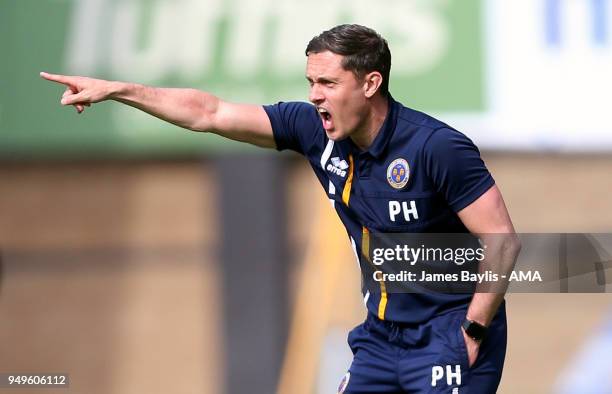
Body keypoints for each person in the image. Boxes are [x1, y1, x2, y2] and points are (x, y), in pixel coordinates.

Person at [41, 24, 520, 394]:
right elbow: (210, 113)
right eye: (311, 82)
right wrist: (118, 90)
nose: (315, 95)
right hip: (381, 336)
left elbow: (502, 239)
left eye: (328, 83)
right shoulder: (312, 129)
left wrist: (473, 329)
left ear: (371, 83)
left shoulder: (436, 147)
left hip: (448, 332)